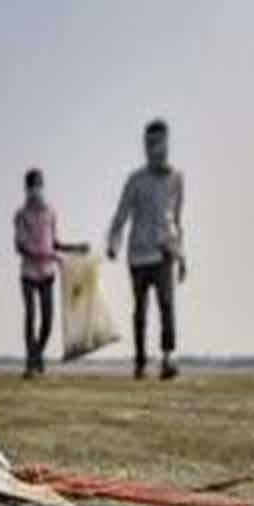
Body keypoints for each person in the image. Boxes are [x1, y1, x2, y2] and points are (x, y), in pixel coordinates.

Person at [106, 119, 186, 380]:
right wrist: (113, 245)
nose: (155, 147)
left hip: (165, 251)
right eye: (150, 142)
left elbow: (177, 218)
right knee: (140, 310)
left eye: (159, 141)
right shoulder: (136, 180)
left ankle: (167, 358)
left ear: (167, 142)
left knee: (167, 305)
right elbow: (121, 216)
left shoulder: (176, 178)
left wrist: (182, 256)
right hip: (139, 254)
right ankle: (140, 361)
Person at [14, 168, 83, 378]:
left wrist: (75, 248)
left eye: (39, 185)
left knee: (47, 320)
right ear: (27, 189)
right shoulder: (21, 215)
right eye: (32, 186)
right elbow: (20, 246)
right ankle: (31, 363)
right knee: (31, 316)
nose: (36, 190)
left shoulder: (50, 212)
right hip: (28, 273)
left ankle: (37, 356)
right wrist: (43, 254)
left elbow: (54, 242)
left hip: (48, 274)